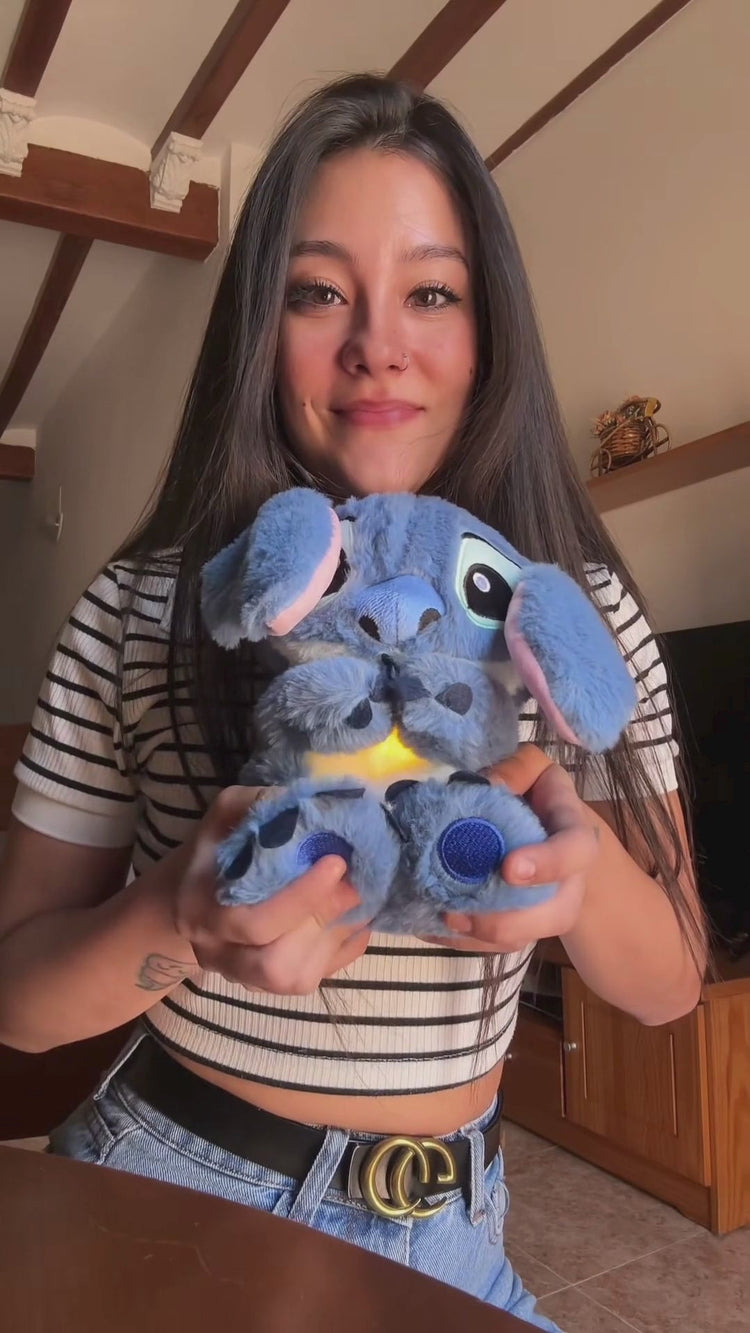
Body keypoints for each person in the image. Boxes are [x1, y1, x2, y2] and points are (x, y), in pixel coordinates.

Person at [0, 75, 706, 1328]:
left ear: (489, 332)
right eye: (319, 292)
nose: (379, 343)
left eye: (432, 293)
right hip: (174, 1192)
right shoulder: (144, 605)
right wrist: (183, 912)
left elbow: (671, 987)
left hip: (456, 1232)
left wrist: (579, 875)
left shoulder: (569, 616)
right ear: (259, 332)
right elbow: (16, 999)